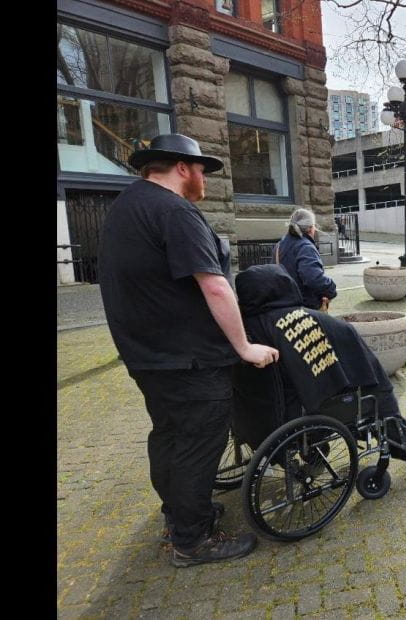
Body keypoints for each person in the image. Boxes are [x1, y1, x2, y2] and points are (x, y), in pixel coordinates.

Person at [98, 133, 280, 567]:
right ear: (182, 168)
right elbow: (215, 285)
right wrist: (245, 346)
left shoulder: (127, 208)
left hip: (149, 357)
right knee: (199, 443)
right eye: (201, 170)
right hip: (190, 359)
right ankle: (194, 540)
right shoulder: (175, 211)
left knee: (169, 437)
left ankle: (179, 514)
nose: (204, 179)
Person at [235, 264, 406, 454]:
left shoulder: (243, 330)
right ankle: (401, 437)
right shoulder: (317, 320)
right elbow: (365, 367)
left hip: (259, 416)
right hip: (305, 410)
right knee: (376, 386)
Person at [276, 208, 337, 311]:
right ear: (310, 228)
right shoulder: (305, 247)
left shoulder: (279, 246)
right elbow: (313, 278)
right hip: (305, 308)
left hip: (284, 306)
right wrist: (331, 289)